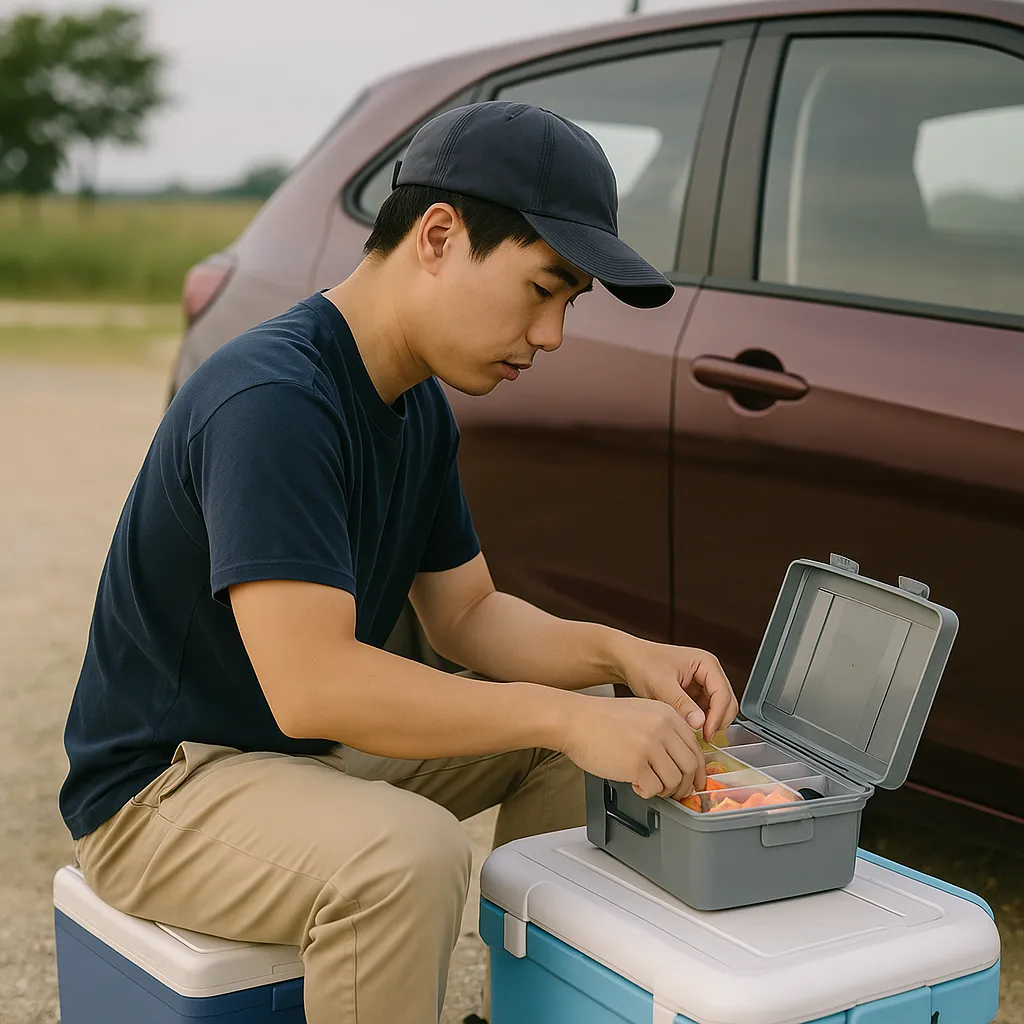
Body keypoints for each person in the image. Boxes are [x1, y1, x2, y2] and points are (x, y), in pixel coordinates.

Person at [59, 101, 738, 1024]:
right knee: (406, 855)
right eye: (543, 288)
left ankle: (536, 1008)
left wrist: (624, 658)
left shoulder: (414, 408)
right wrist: (563, 715)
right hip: (167, 789)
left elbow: (467, 616)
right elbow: (314, 686)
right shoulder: (275, 398)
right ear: (439, 236)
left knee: (573, 737)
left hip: (301, 761)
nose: (552, 336)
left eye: (568, 304)